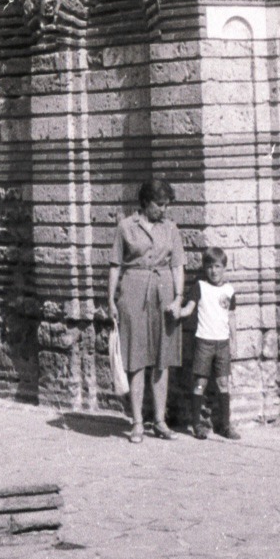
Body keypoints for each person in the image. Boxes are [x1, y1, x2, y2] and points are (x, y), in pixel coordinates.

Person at [108, 179, 187, 443]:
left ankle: (160, 421)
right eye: (159, 204)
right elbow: (115, 265)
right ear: (145, 202)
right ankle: (138, 422)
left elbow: (177, 266)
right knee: (137, 359)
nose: (164, 210)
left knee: (162, 359)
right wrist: (110, 300)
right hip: (133, 292)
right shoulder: (125, 227)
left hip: (163, 293)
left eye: (166, 205)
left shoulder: (171, 228)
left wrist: (178, 298)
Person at [188, 246, 240, 440]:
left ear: (224, 267)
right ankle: (196, 424)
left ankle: (225, 425)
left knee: (223, 383)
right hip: (204, 341)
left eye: (217, 266)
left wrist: (234, 343)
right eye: (209, 267)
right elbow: (189, 308)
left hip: (223, 343)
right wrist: (177, 311)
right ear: (205, 268)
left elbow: (232, 318)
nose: (214, 271)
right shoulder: (199, 287)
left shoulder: (229, 290)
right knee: (200, 382)